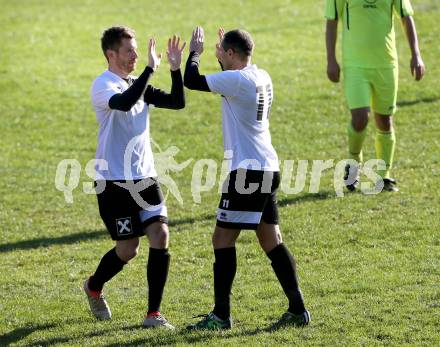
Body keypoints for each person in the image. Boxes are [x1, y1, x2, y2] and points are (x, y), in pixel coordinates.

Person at [184, 26, 310, 330]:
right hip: (268, 165)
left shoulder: (236, 80)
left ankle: (221, 316)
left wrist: (195, 54)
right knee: (271, 240)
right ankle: (297, 309)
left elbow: (191, 81)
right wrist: (220, 61)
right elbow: (226, 85)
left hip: (247, 171)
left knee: (222, 239)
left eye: (223, 53)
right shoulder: (260, 75)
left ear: (230, 53)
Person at [85, 26, 186, 329]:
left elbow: (177, 101)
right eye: (129, 50)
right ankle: (93, 286)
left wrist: (176, 69)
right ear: (111, 54)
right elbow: (126, 102)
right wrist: (148, 71)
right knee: (128, 249)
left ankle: (153, 314)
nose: (136, 55)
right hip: (113, 183)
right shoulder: (103, 86)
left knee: (161, 235)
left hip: (145, 178)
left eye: (136, 49)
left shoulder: (136, 84)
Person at [325, 0, 425, 192]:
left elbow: (406, 17)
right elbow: (332, 20)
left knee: (385, 121)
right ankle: (354, 163)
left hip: (386, 64)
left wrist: (416, 54)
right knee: (360, 117)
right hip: (355, 65)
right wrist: (331, 59)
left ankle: (383, 175)